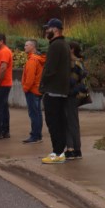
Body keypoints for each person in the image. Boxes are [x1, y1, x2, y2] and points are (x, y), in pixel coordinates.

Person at [39, 18, 71, 164]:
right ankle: (59, 151)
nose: (46, 31)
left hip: (54, 90)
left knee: (54, 122)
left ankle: (57, 153)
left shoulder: (55, 45)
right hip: (61, 89)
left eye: (49, 29)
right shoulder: (63, 44)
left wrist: (43, 83)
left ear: (55, 30)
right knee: (59, 122)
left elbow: (50, 69)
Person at [65, 41, 87, 160]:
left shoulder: (75, 64)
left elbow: (72, 81)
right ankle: (75, 149)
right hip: (73, 95)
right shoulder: (79, 62)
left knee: (70, 122)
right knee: (72, 121)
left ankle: (72, 149)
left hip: (71, 96)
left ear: (72, 49)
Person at [21, 39, 45, 144]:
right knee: (38, 113)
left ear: (32, 47)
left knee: (34, 114)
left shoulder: (32, 60)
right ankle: (37, 135)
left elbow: (30, 78)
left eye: (26, 45)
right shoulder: (38, 59)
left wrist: (25, 89)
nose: (24, 47)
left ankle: (35, 136)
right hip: (38, 89)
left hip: (32, 90)